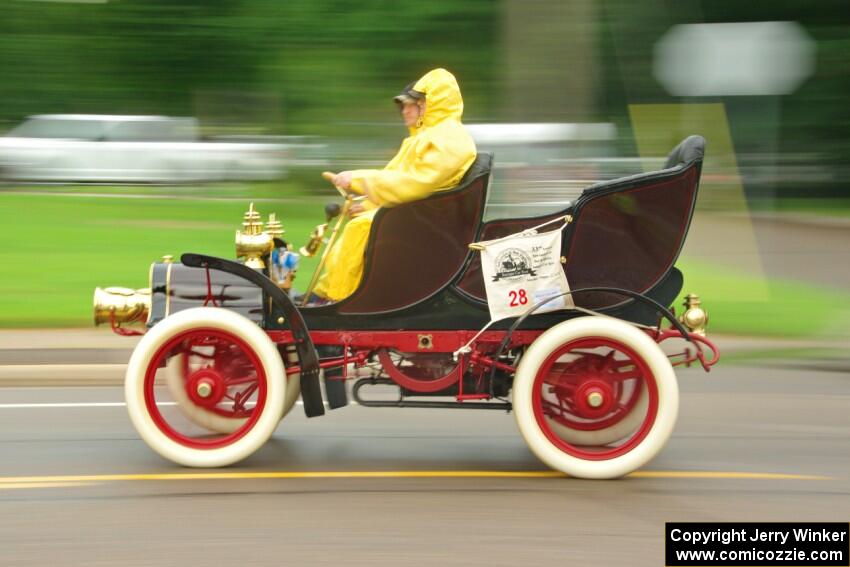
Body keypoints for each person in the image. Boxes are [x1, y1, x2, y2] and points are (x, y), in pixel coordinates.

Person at [311, 67, 477, 302]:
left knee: (358, 229)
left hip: (427, 223)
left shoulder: (446, 139)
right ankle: (326, 297)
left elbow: (414, 184)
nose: (408, 109)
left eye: (417, 102)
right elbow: (402, 182)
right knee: (359, 223)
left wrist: (358, 180)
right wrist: (369, 204)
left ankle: (338, 302)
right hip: (421, 216)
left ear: (435, 102)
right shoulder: (433, 138)